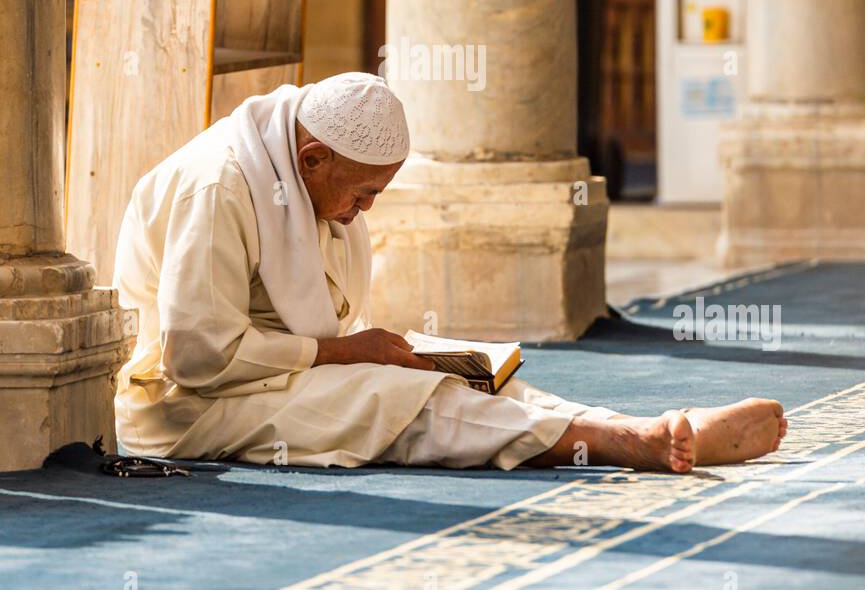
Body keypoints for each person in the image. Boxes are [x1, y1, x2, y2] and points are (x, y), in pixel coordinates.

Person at [114, 73, 786, 472]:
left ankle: (637, 427)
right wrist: (344, 353)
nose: (359, 214)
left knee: (460, 366)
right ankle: (626, 445)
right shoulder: (218, 186)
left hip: (274, 370)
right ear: (313, 158)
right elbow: (198, 357)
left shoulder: (293, 167)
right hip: (189, 409)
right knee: (392, 397)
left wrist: (353, 350)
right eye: (362, 193)